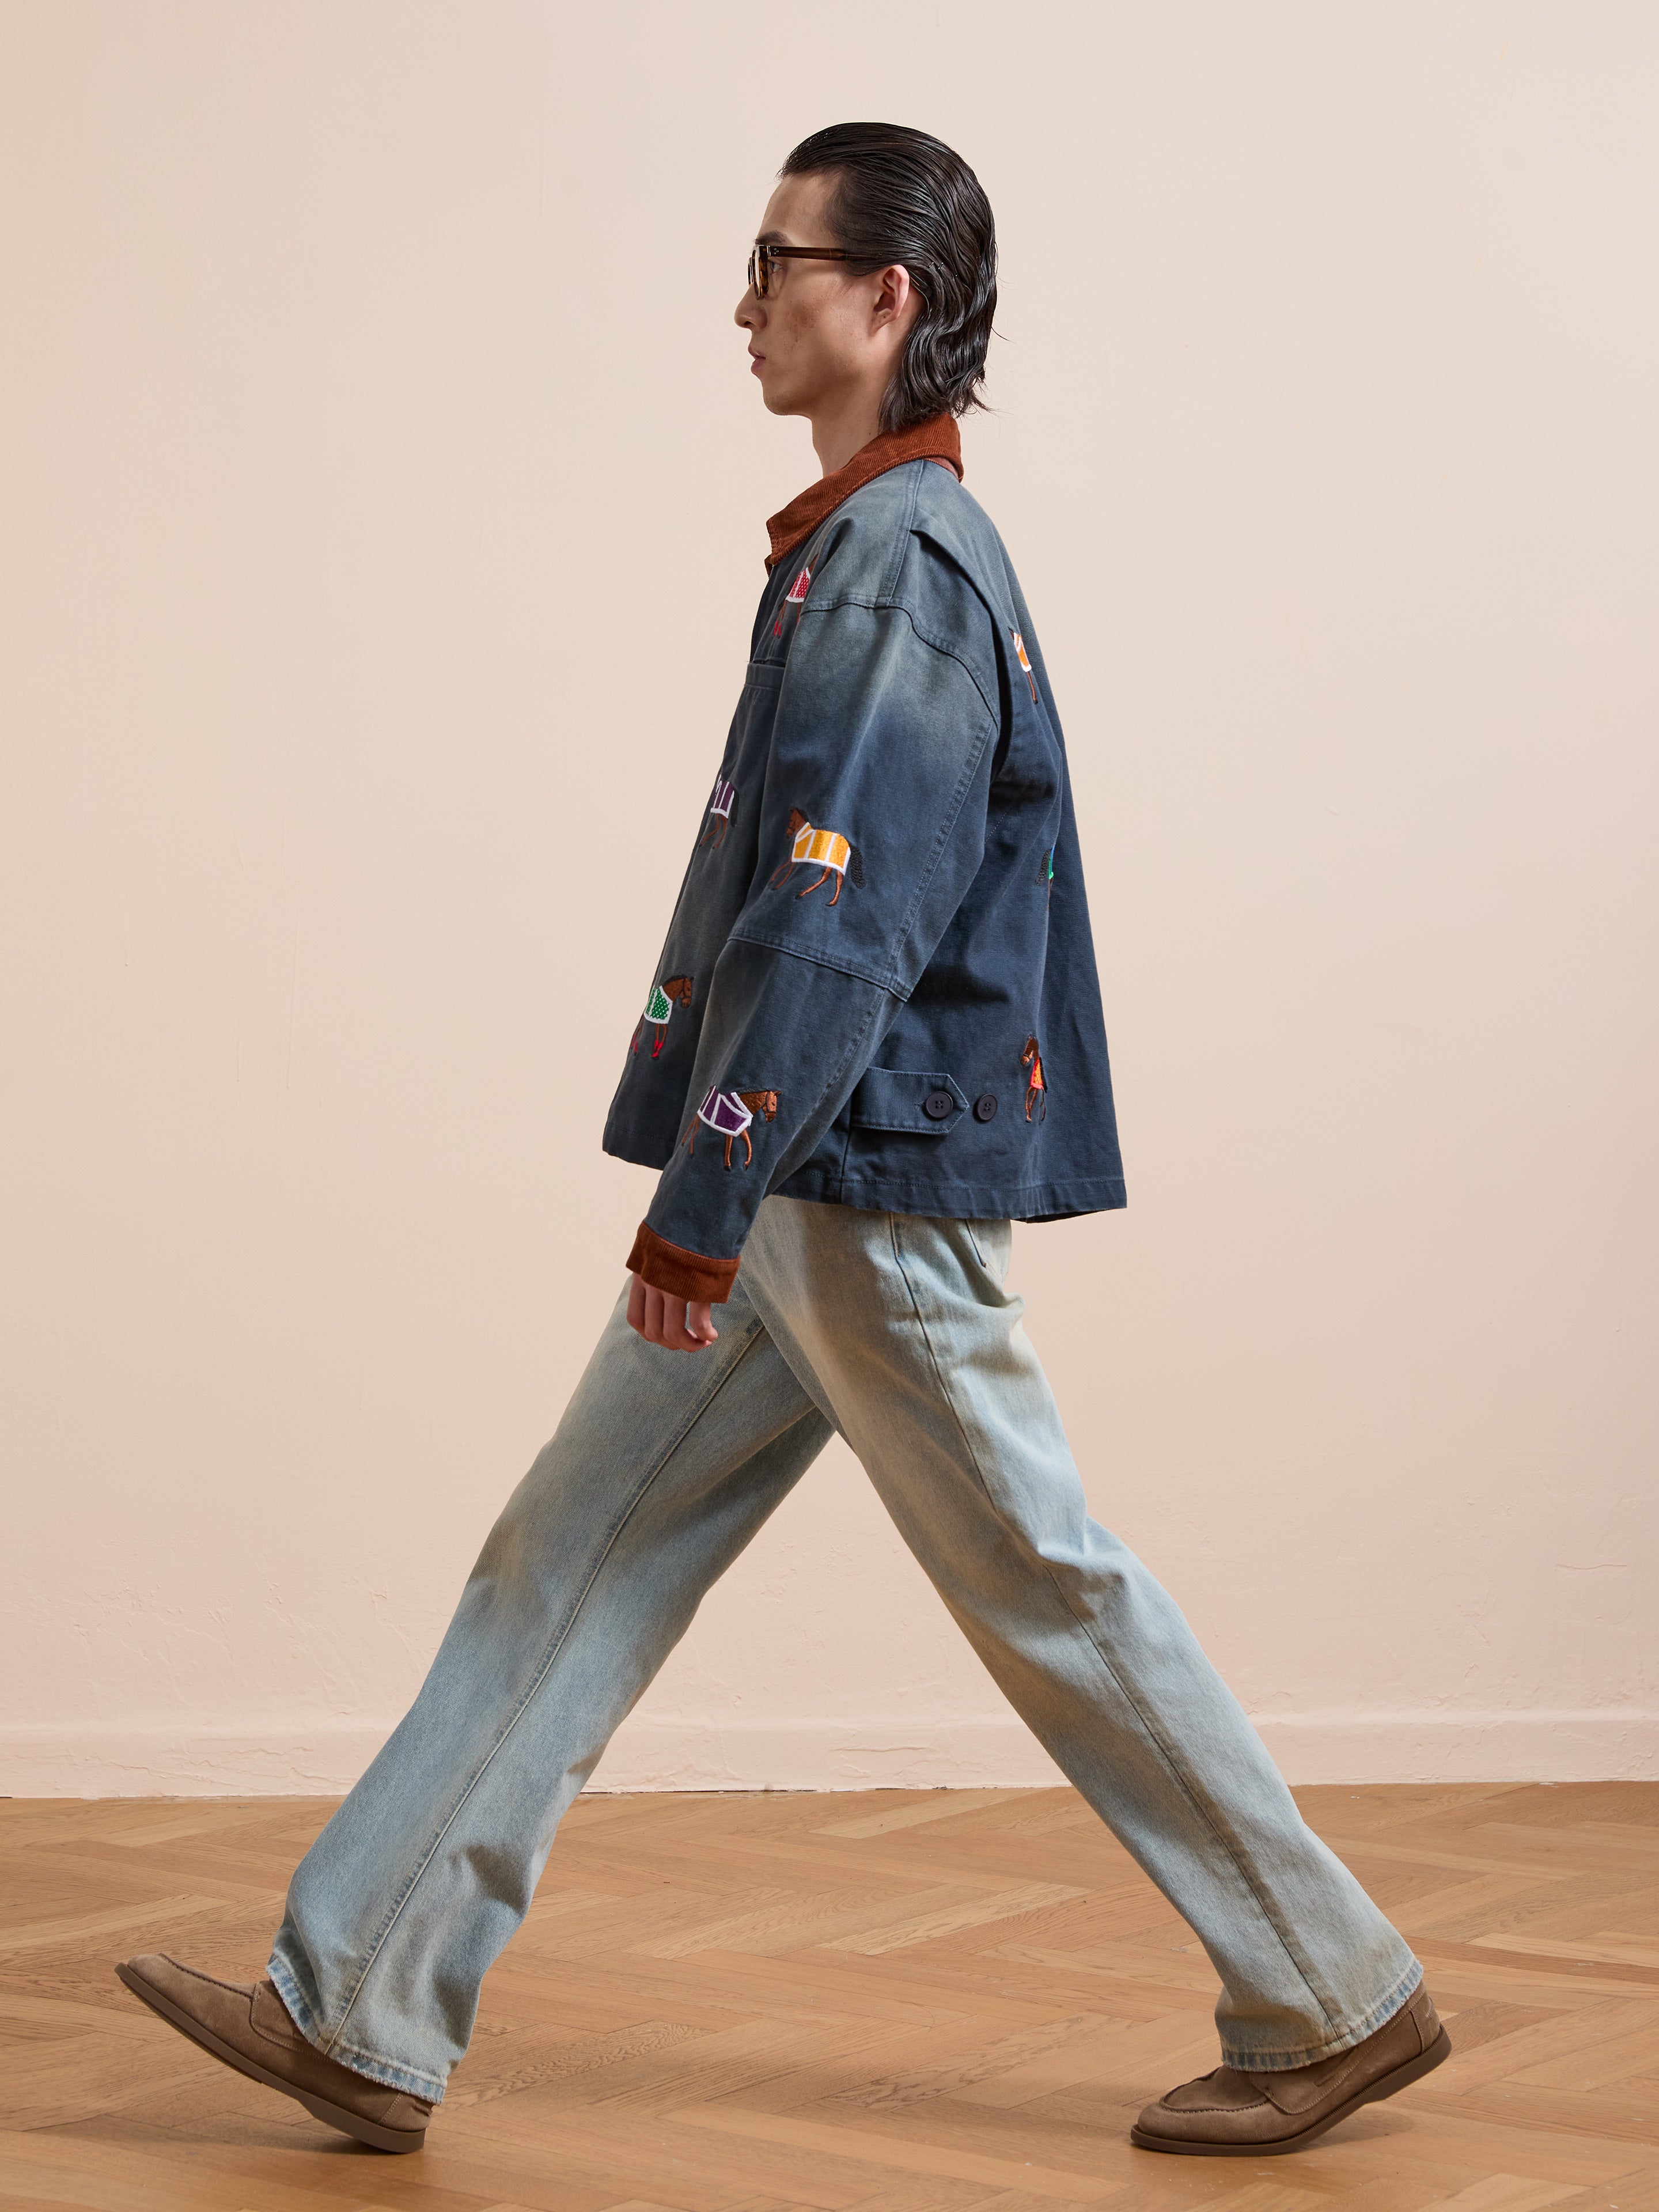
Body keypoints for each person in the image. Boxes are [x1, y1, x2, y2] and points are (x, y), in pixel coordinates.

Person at [116, 121, 1448, 2160]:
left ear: (886, 298)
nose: (742, 300)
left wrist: (704, 1205)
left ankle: (1332, 1993)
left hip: (854, 1194)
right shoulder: (860, 544)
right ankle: (367, 2003)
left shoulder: (900, 572)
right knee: (563, 1557)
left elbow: (838, 924)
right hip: (808, 1191)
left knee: (1048, 1586)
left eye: (776, 261)